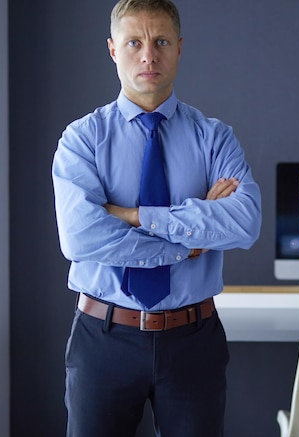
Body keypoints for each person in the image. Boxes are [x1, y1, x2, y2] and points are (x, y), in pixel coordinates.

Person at [51, 0, 262, 436]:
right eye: (135, 42)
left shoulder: (215, 138)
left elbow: (245, 222)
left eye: (161, 41)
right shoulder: (82, 140)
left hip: (193, 339)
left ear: (180, 48)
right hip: (103, 336)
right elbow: (81, 238)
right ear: (113, 50)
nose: (149, 55)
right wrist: (190, 241)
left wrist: (132, 215)